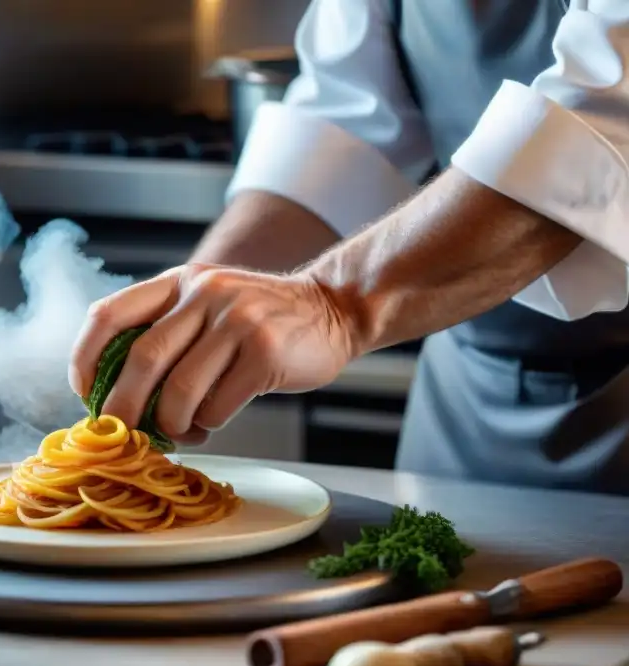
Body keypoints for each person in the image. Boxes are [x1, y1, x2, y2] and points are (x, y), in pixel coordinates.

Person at [68, 0, 629, 495]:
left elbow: (601, 127)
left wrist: (334, 303)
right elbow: (347, 124)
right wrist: (197, 307)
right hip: (463, 412)